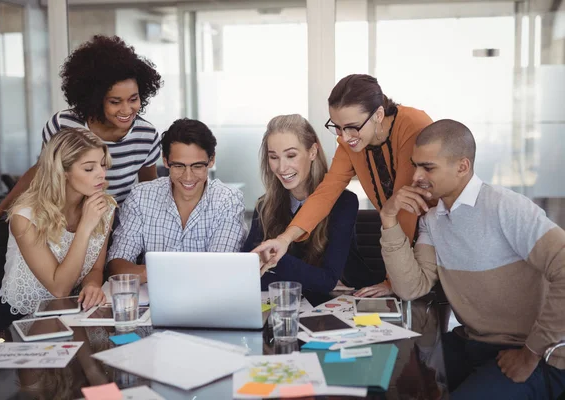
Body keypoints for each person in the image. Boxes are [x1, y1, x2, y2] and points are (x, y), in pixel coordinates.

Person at [378, 119, 565, 399]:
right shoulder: (432, 220)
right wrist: (388, 219)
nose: (415, 176)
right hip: (474, 343)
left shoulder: (506, 207)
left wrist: (530, 353)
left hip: (538, 354)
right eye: (415, 164)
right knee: (391, 378)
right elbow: (410, 287)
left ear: (462, 167)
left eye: (428, 167)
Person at [253, 74, 433, 297]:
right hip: (400, 239)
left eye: (352, 127)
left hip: (432, 230)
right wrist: (284, 239)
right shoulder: (350, 142)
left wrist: (391, 281)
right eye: (337, 127)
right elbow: (325, 194)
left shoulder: (412, 126)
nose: (344, 138)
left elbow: (406, 206)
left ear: (378, 114)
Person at [0, 35, 162, 236]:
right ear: (95, 99)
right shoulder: (63, 124)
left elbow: (149, 190)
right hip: (65, 224)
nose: (126, 109)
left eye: (133, 99)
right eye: (115, 101)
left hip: (118, 226)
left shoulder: (146, 134)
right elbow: (40, 172)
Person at [0, 128, 116, 333]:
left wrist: (92, 285)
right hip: (20, 319)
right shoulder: (24, 216)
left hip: (71, 314)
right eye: (88, 169)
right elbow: (59, 289)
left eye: (103, 165)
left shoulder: (104, 207)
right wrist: (85, 227)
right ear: (63, 172)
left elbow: (95, 269)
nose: (101, 174)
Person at [242, 114, 383, 294]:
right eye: (274, 157)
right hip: (290, 305)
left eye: (291, 155)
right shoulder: (264, 205)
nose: (282, 167)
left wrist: (273, 261)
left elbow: (326, 282)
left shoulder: (343, 203)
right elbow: (246, 272)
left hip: (345, 302)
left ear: (312, 152)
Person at [107, 118, 247, 283]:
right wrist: (155, 273)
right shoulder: (141, 196)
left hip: (207, 301)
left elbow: (218, 270)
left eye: (197, 166)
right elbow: (116, 264)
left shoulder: (227, 200)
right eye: (179, 166)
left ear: (211, 160)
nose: (188, 177)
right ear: (165, 161)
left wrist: (156, 273)